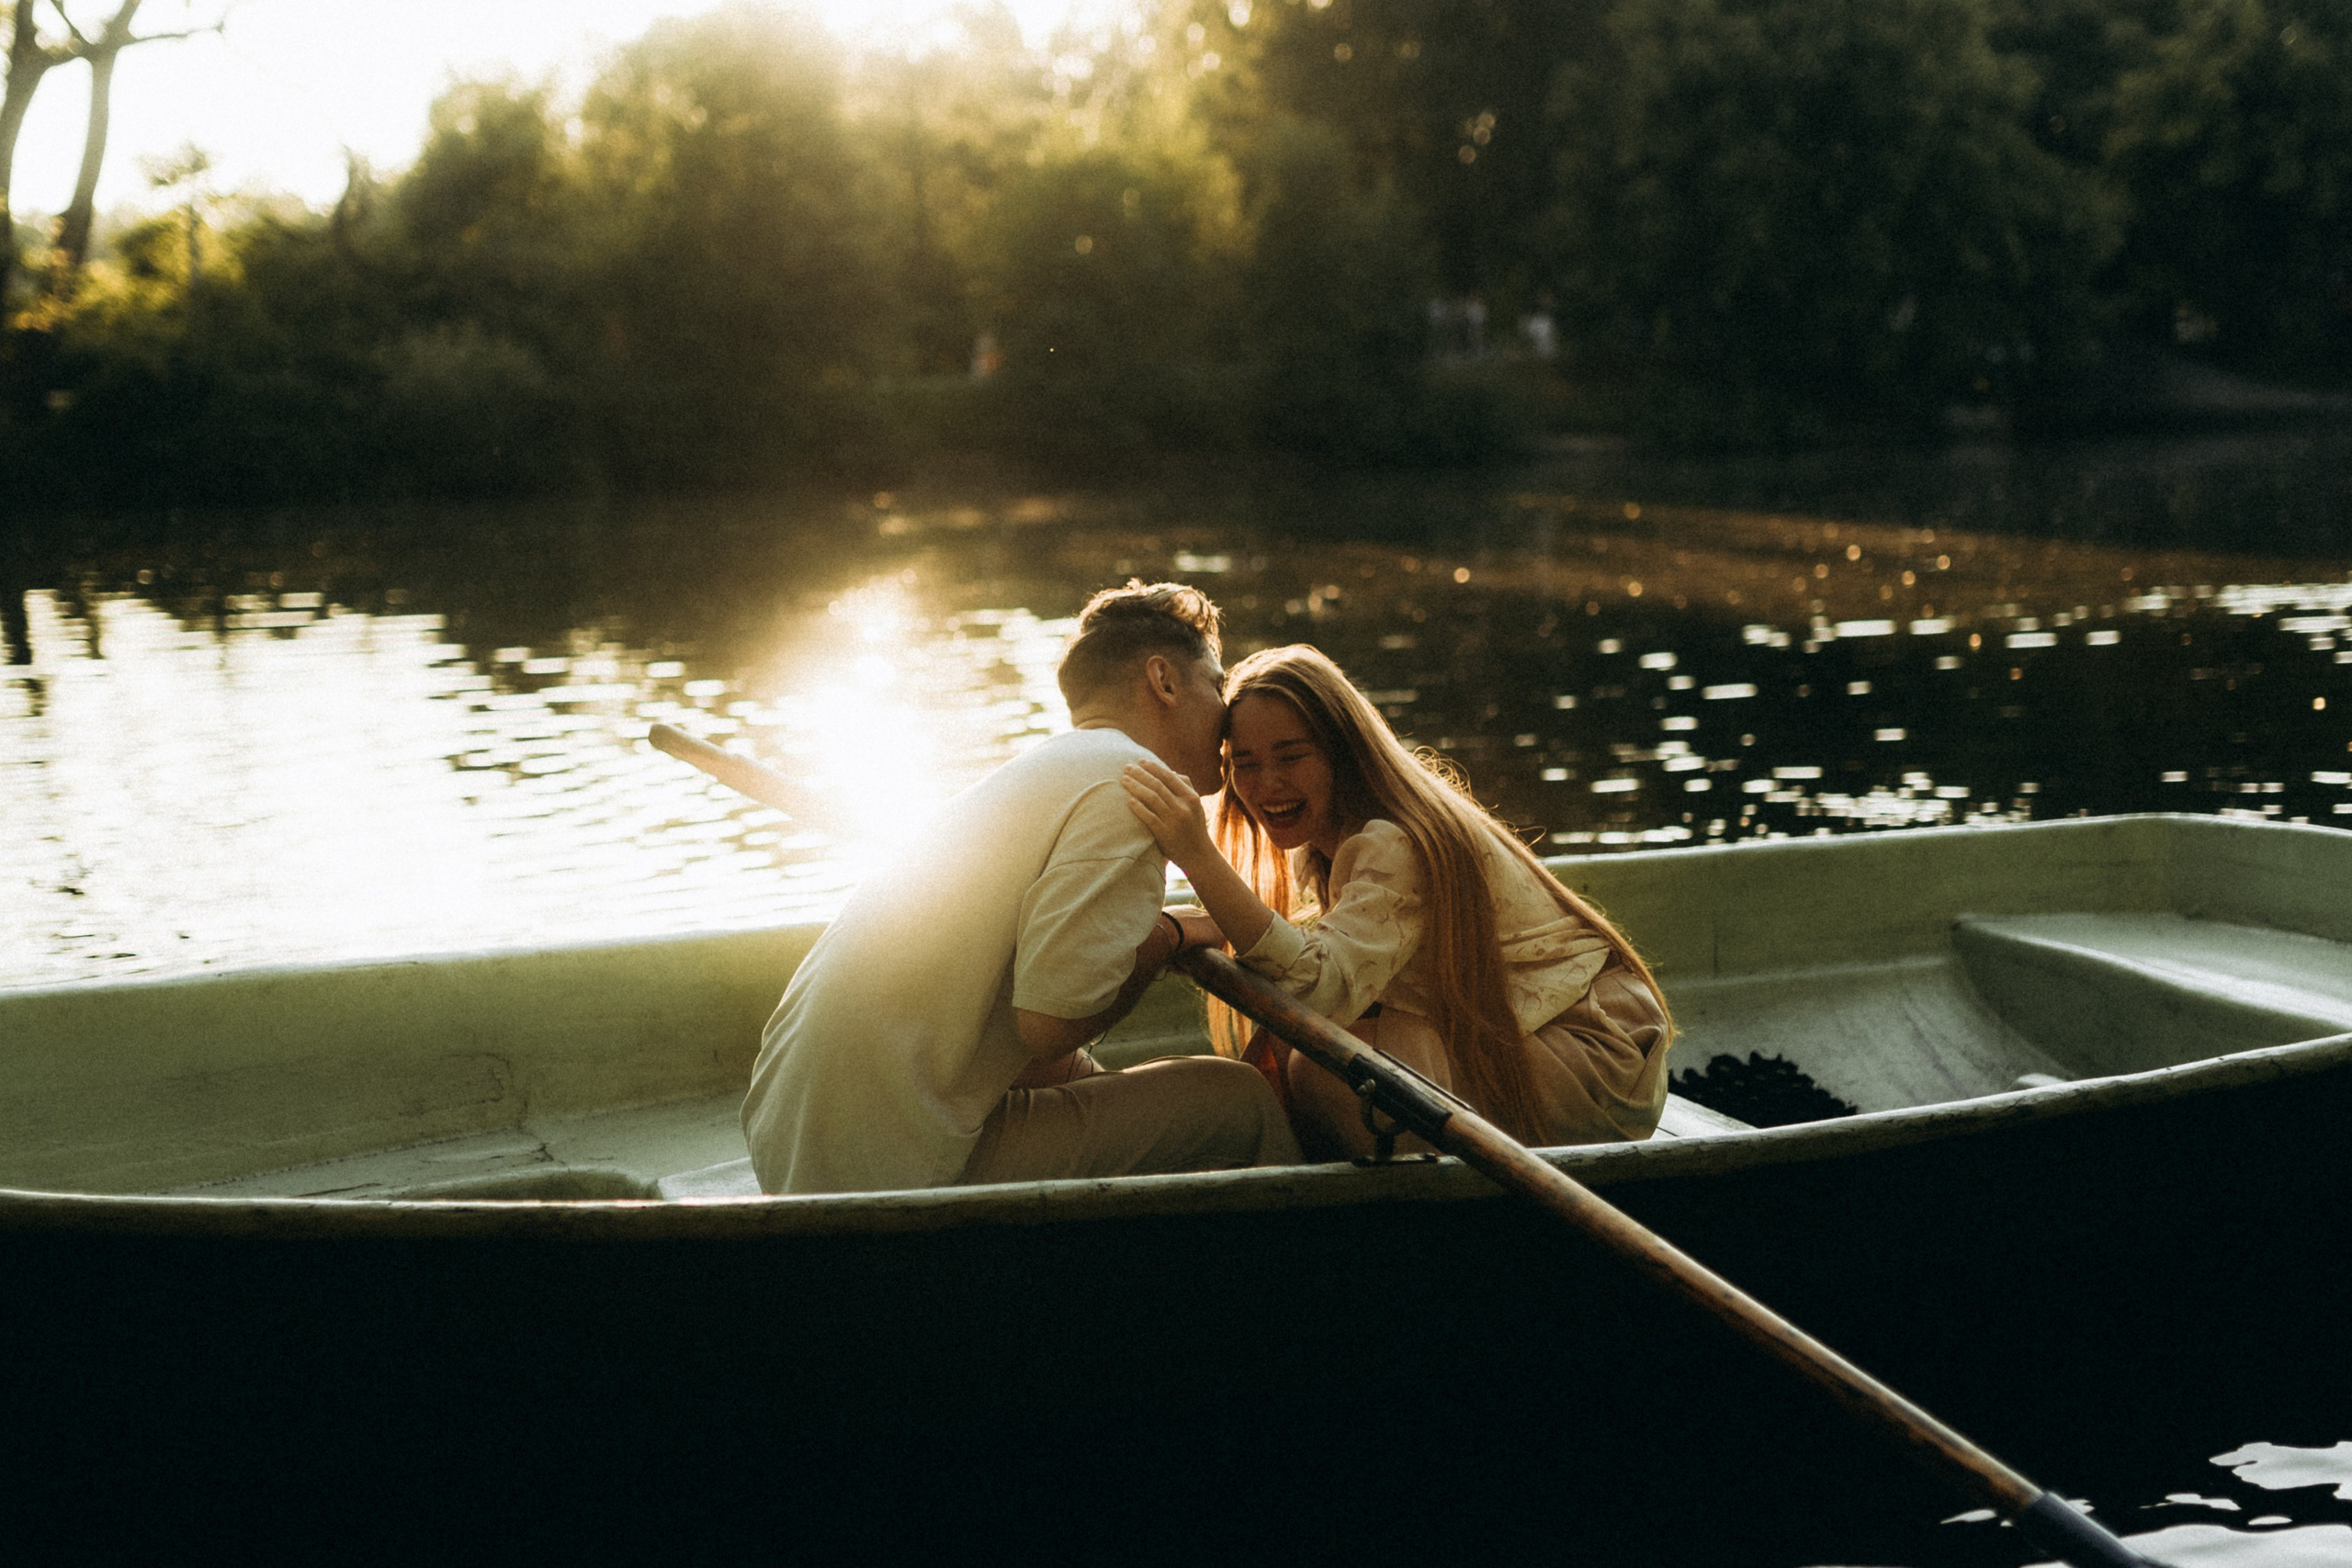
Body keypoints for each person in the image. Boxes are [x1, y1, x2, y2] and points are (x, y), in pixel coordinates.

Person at [741, 582, 1301, 1195]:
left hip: (792, 1141)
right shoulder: (1130, 786)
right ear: (1163, 680)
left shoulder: (1046, 770)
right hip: (881, 1169)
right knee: (1239, 1099)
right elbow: (1048, 1025)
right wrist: (1171, 933)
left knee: (1079, 1075)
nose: (1226, 718)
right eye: (1216, 685)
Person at [1123, 644, 1673, 1158]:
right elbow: (1322, 951)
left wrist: (1195, 852)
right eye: (1245, 764)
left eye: (1290, 757)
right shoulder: (1328, 838)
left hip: (1597, 1059)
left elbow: (1320, 988)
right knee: (1297, 1054)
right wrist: (1208, 926)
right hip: (1532, 1029)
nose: (1267, 785)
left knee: (1323, 1074)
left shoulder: (1395, 843)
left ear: (1344, 753)